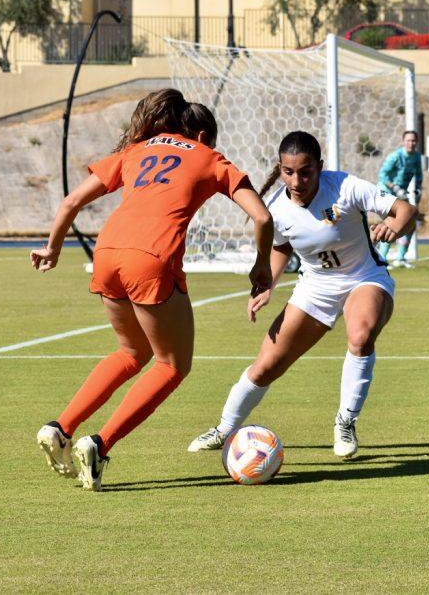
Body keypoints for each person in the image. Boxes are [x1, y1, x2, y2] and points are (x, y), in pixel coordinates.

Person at [32, 91, 273, 492]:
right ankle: (99, 444)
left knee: (131, 353)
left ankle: (60, 427)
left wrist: (52, 247)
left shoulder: (137, 149)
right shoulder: (208, 156)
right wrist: (262, 264)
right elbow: (262, 216)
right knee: (172, 365)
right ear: (200, 134)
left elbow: (73, 200)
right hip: (150, 256)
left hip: (107, 251)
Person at [188, 131, 418, 459]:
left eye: (306, 171)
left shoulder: (346, 187)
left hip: (364, 278)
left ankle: (345, 422)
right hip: (315, 287)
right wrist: (268, 283)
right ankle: (225, 428)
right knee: (265, 367)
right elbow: (281, 246)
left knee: (361, 335)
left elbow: (406, 210)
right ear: (280, 169)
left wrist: (395, 226)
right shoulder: (276, 210)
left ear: (320, 168)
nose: (297, 180)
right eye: (288, 172)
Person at [376, 130, 423, 268]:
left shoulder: (416, 157)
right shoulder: (395, 156)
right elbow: (382, 175)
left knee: (410, 223)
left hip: (401, 194)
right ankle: (382, 259)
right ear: (404, 142)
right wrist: (395, 187)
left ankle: (400, 258)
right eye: (408, 140)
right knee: (392, 222)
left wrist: (418, 188)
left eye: (413, 140)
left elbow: (419, 175)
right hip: (386, 192)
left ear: (417, 142)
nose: (411, 143)